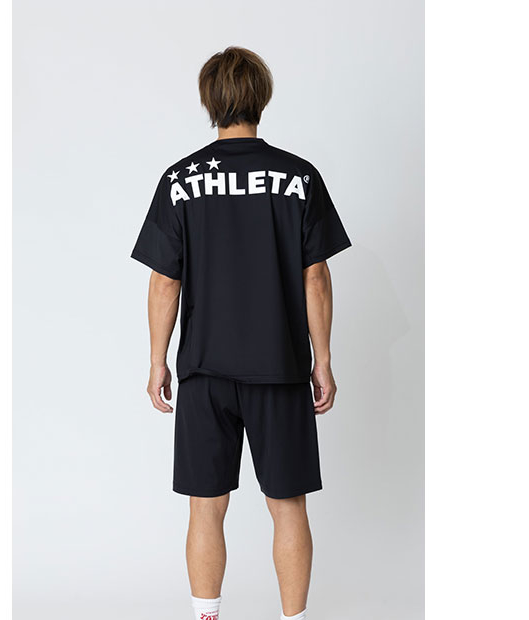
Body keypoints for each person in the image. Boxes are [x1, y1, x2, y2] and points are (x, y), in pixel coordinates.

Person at [131, 46, 351, 620]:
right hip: (279, 368)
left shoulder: (180, 180)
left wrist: (157, 361)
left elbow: (164, 279)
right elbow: (316, 276)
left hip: (205, 370)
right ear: (262, 97)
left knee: (206, 507)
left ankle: (207, 617)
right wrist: (323, 359)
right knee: (288, 506)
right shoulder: (299, 177)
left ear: (210, 101)